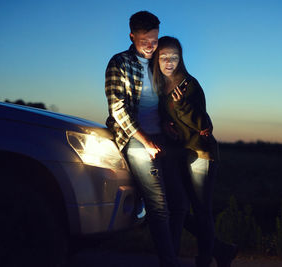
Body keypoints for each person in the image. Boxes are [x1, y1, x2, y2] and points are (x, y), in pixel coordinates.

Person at [152, 36, 237, 267]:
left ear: (181, 59)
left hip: (200, 155)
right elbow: (167, 120)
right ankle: (221, 250)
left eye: (174, 57)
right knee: (176, 208)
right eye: (164, 57)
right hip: (180, 155)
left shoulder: (189, 85)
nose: (169, 62)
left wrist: (182, 107)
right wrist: (165, 125)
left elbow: (204, 125)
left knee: (201, 210)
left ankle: (204, 260)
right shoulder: (159, 88)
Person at [104, 12, 180, 267]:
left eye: (155, 40)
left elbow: (161, 103)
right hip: (134, 139)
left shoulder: (156, 64)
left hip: (160, 136)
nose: (151, 46)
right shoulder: (120, 63)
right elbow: (118, 109)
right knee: (158, 204)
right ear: (132, 36)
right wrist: (145, 141)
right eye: (145, 40)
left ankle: (215, 247)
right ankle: (170, 263)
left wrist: (168, 122)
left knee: (178, 199)